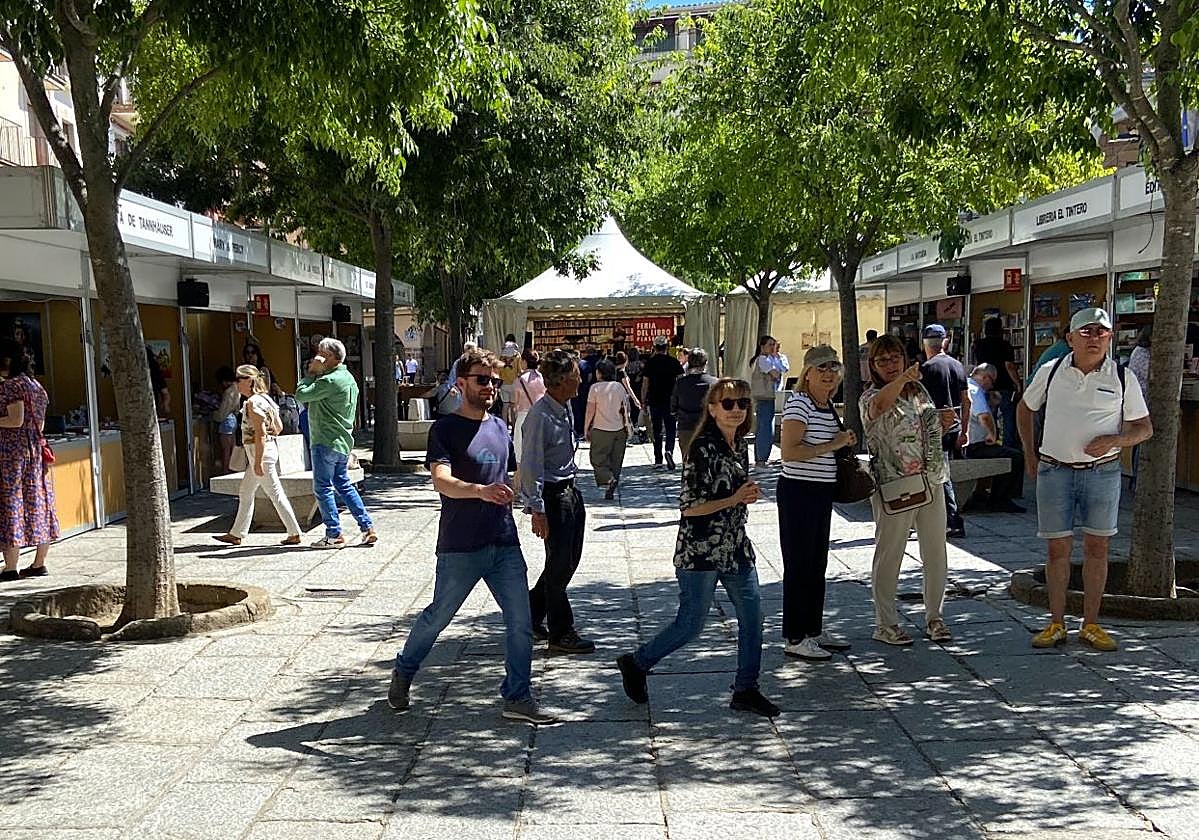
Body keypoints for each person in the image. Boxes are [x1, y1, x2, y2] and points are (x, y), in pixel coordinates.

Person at [388, 348, 555, 724]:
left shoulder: (500, 427)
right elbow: (441, 481)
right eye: (482, 380)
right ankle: (404, 670)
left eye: (495, 380)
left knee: (521, 622)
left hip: (504, 542)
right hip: (460, 546)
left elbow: (511, 475)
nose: (491, 386)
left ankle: (518, 696)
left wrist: (533, 502)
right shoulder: (445, 429)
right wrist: (481, 491)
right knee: (437, 617)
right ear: (460, 384)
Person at [615, 378, 778, 718]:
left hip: (735, 546)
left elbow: (732, 491)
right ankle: (637, 662)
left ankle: (746, 688)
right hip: (701, 549)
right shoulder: (701, 448)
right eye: (728, 403)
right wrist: (734, 497)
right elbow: (689, 507)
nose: (736, 409)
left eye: (742, 403)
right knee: (691, 623)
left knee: (753, 617)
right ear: (712, 409)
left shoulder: (739, 444)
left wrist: (744, 495)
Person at [1017, 308, 1151, 652]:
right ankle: (1056, 623)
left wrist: (1115, 441)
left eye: (1102, 331)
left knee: (1097, 548)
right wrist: (1030, 455)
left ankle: (1091, 624)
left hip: (1102, 473)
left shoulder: (1122, 377)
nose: (1095, 338)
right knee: (1057, 548)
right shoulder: (1051, 371)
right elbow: (1025, 408)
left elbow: (1144, 428)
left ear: (1110, 337)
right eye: (1087, 331)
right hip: (1055, 471)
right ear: (1070, 338)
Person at [862, 335, 951, 646]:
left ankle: (935, 616)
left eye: (895, 358)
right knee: (890, 554)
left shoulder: (918, 391)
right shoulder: (871, 395)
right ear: (873, 366)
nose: (890, 365)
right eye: (882, 360)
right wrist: (901, 378)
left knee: (936, 552)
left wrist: (944, 422)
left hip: (932, 479)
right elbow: (879, 407)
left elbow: (923, 427)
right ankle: (885, 623)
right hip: (895, 485)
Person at [778, 346, 856, 660]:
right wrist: (833, 444)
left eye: (833, 367)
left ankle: (813, 628)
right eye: (821, 368)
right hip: (799, 492)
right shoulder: (799, 404)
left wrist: (841, 443)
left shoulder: (825, 405)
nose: (828, 374)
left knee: (816, 565)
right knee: (799, 565)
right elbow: (789, 451)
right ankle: (795, 636)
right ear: (807, 373)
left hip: (821, 493)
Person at [520, 350, 593, 653]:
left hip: (570, 491)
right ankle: (561, 632)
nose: (580, 380)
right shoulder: (540, 416)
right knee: (559, 565)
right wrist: (537, 508)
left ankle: (529, 614)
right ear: (561, 381)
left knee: (568, 560)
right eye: (576, 375)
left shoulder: (564, 406)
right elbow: (531, 463)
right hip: (552, 496)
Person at [295, 337, 376, 548]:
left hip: (325, 440)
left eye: (320, 354)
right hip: (343, 441)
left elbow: (301, 395)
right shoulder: (348, 378)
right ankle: (367, 527)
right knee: (344, 484)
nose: (316, 358)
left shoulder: (328, 380)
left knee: (322, 488)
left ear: (330, 357)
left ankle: (334, 534)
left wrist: (311, 373)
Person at [213, 366, 303, 546]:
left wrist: (258, 461)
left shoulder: (252, 403)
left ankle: (294, 532)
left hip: (260, 454)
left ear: (249, 381)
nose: (235, 383)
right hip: (266, 451)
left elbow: (260, 434)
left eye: (238, 379)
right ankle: (237, 533)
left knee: (275, 494)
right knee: (246, 492)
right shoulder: (266, 399)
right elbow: (278, 427)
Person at [0, 340, 58, 581]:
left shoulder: (11, 386)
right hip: (34, 453)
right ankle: (39, 563)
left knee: (11, 503)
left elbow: (16, 420)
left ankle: (10, 567)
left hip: (11, 455)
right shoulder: (36, 386)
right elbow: (39, 425)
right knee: (38, 503)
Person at [920, 324, 971, 538]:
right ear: (945, 342)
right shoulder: (957, 365)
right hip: (954, 427)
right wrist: (965, 431)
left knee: (940, 477)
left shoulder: (925, 368)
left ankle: (953, 520)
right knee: (941, 473)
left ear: (924, 343)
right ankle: (942, 518)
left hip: (933, 430)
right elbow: (966, 400)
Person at [963, 363, 1025, 513]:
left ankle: (984, 494)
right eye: (992, 382)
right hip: (974, 445)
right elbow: (984, 416)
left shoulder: (966, 385)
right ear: (985, 377)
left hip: (967, 443)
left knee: (1002, 452)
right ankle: (1000, 499)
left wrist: (993, 404)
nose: (991, 386)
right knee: (1015, 456)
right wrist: (993, 435)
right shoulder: (975, 390)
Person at [972, 318, 1022, 448]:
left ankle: (990, 442)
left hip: (986, 385)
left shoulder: (978, 344)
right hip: (1005, 385)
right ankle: (1008, 445)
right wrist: (1018, 383)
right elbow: (1009, 366)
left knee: (989, 415)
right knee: (1008, 418)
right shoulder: (1005, 345)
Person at [585, 360, 630, 500]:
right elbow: (625, 407)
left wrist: (586, 428)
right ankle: (612, 485)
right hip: (619, 429)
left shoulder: (595, 388)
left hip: (601, 428)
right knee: (616, 461)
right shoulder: (619, 386)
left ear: (599, 373)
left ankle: (608, 479)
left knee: (597, 459)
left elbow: (590, 411)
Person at [641, 335, 684, 470]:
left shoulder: (650, 363)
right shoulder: (673, 362)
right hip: (671, 400)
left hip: (654, 400)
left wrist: (643, 401)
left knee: (657, 429)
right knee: (671, 428)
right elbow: (681, 381)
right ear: (667, 347)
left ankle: (658, 458)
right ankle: (669, 450)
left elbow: (645, 384)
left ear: (654, 347)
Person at [749, 335, 788, 467]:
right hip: (764, 396)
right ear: (762, 346)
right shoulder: (763, 359)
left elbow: (784, 368)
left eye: (774, 345)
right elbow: (776, 374)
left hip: (768, 396)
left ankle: (762, 457)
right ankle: (761, 458)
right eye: (770, 345)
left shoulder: (769, 359)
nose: (773, 348)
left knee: (766, 426)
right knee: (765, 428)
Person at [671, 348, 717, 454]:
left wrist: (676, 414)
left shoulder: (681, 383)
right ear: (705, 363)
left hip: (686, 425)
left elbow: (673, 405)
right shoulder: (714, 383)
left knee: (688, 458)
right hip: (708, 426)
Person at [1127, 326, 1152, 491]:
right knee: (1141, 443)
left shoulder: (1140, 352)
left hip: (1141, 402)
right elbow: (1152, 376)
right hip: (1143, 402)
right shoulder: (1142, 354)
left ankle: (1137, 478)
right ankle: (1138, 479)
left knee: (1140, 443)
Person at [513, 350, 546, 466]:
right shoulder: (542, 378)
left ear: (524, 361)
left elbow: (516, 403)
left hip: (523, 415)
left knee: (519, 451)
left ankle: (520, 476)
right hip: (539, 415)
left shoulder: (520, 380)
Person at [213, 365, 240, 473]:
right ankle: (233, 470)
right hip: (233, 419)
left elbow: (222, 413)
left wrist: (214, 415)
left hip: (226, 421)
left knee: (226, 450)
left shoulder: (229, 392)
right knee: (232, 449)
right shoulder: (237, 388)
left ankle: (225, 472)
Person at [146, 345, 171, 418]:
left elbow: (165, 392)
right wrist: (166, 405)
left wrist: (166, 405)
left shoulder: (154, 370)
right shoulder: (155, 369)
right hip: (150, 408)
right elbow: (165, 392)